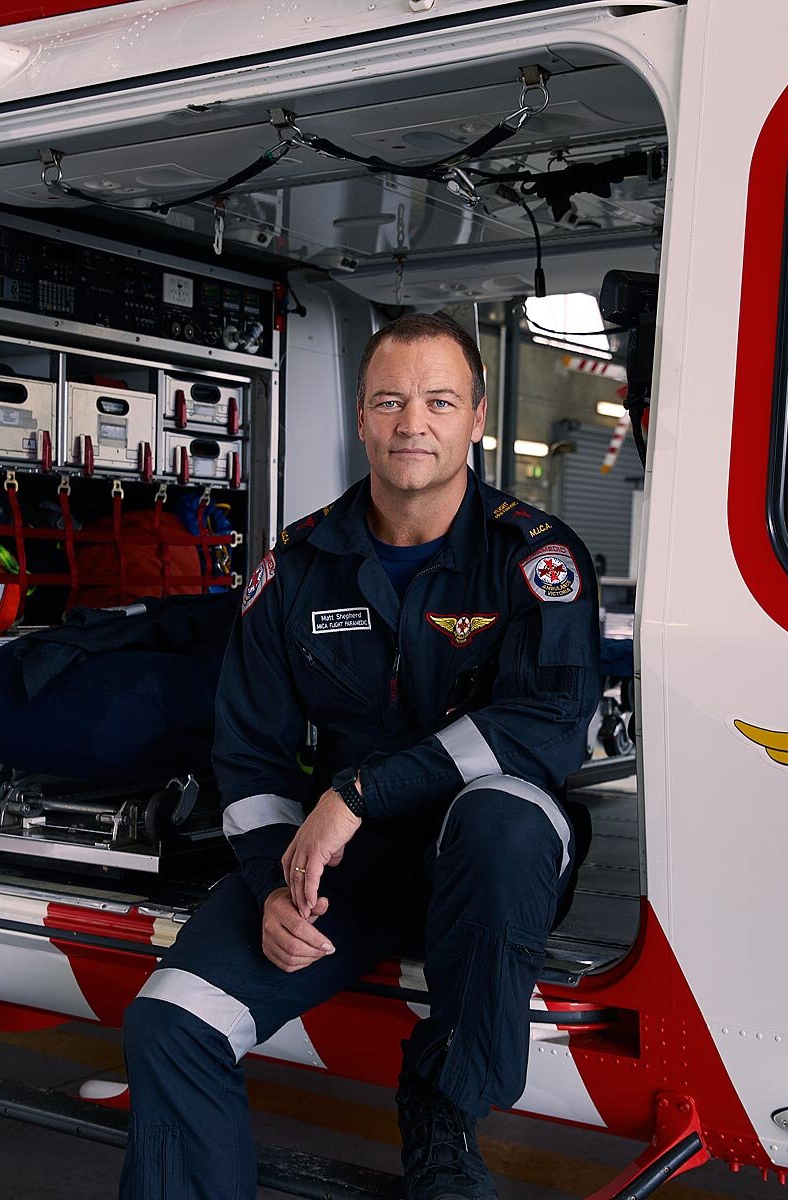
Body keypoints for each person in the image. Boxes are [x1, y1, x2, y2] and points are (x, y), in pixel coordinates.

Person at [120, 312, 601, 1199]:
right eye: (391, 400)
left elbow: (547, 727)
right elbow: (252, 758)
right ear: (361, 416)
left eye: (439, 401)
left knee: (503, 812)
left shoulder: (535, 559)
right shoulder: (296, 569)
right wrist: (273, 885)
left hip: (492, 864)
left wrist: (361, 790)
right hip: (348, 866)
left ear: (478, 419)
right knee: (170, 1024)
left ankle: (445, 1118)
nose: (413, 421)